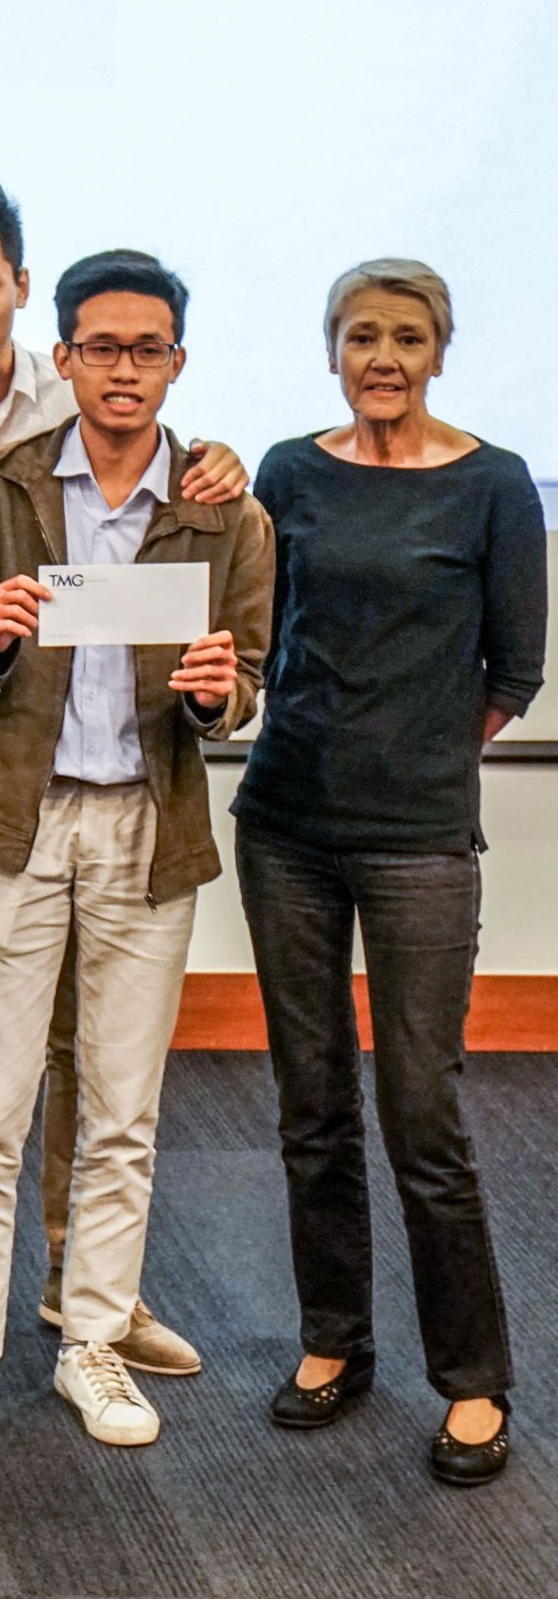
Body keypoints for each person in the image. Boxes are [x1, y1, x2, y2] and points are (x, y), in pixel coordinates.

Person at [0, 251, 273, 1465]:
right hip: (18, 819)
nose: (123, 369)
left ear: (176, 359)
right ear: (58, 357)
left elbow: (246, 685)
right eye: (100, 348)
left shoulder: (225, 509)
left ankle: (88, 1340)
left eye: (147, 348)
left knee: (122, 1107)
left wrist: (220, 698)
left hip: (146, 834)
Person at [233, 260, 545, 1487]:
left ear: (436, 352)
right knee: (309, 1103)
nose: (380, 356)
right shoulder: (287, 472)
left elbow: (510, 672)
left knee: (422, 1112)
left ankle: (472, 1382)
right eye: (359, 335)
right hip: (284, 829)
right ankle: (332, 1340)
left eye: (404, 337)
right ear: (327, 350)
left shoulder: (492, 482)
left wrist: (412, 757)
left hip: (417, 839)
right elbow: (256, 625)